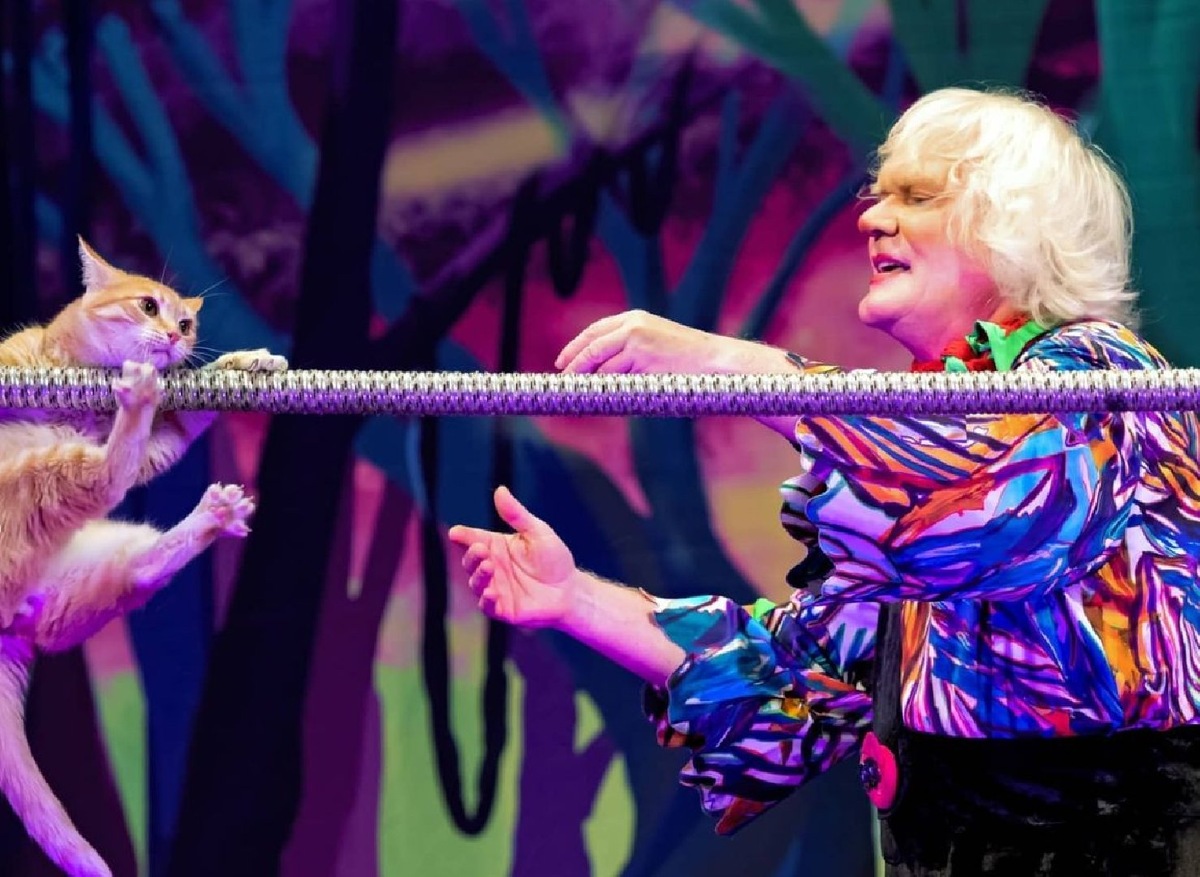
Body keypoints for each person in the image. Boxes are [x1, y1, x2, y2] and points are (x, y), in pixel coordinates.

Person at [447, 86, 1200, 875]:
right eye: (880, 194)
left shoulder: (1102, 374)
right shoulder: (917, 449)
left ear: (1014, 222)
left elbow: (984, 502)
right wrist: (574, 598)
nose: (873, 217)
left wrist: (722, 361)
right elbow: (794, 679)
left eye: (916, 196)